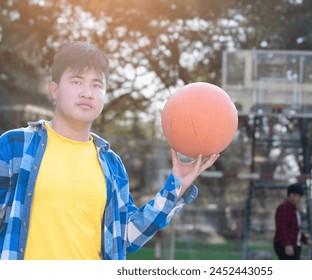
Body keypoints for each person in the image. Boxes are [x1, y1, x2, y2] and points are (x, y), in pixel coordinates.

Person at [0, 41, 219, 260]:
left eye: (97, 85)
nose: (87, 92)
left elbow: (126, 237)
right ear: (54, 90)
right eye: (77, 81)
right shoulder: (16, 146)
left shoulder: (111, 165)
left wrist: (177, 185)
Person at [273, 183, 312, 260]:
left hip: (294, 245)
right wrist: (287, 244)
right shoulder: (284, 208)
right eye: (298, 196)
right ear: (291, 195)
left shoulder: (294, 210)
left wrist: (306, 240)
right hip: (286, 245)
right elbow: (282, 228)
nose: (299, 199)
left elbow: (295, 230)